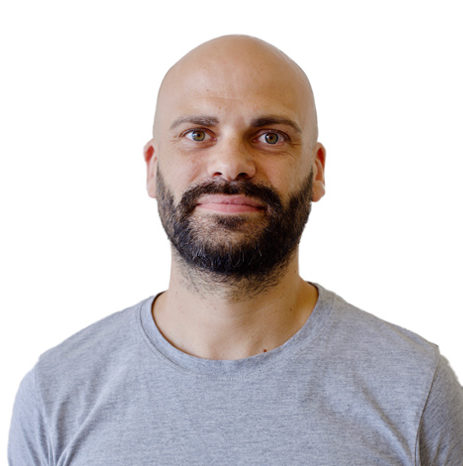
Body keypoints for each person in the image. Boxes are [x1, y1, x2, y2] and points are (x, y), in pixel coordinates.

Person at [8, 35, 463, 465]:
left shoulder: (414, 388)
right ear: (152, 169)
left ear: (317, 171)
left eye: (270, 136)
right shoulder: (57, 395)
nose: (231, 165)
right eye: (197, 134)